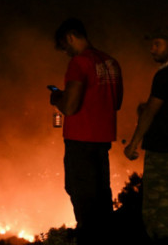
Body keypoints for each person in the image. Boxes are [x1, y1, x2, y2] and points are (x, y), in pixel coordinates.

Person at [49, 18, 123, 245]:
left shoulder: (79, 63)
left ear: (71, 37)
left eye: (64, 46)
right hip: (102, 141)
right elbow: (116, 102)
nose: (65, 52)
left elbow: (70, 107)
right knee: (102, 199)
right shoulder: (111, 62)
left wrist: (57, 98)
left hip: (80, 141)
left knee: (82, 198)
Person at [124, 27, 168, 243]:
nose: (152, 49)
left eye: (157, 44)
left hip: (161, 150)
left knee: (158, 209)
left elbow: (152, 111)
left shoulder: (165, 74)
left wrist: (133, 144)